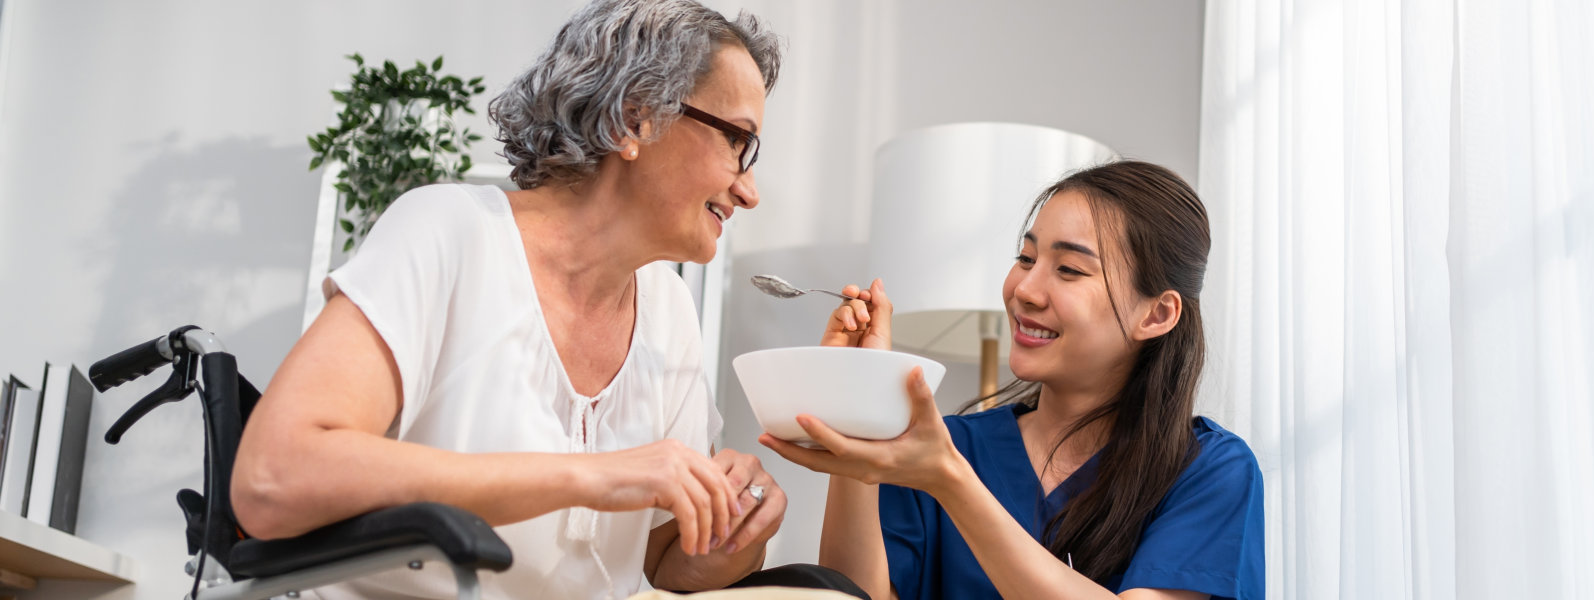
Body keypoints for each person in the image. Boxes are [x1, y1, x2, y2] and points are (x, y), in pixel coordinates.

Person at [231, 1, 862, 597]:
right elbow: (272, 479)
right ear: (634, 118)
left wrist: (732, 528)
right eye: (737, 143)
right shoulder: (450, 233)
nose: (749, 192)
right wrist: (595, 476)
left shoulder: (668, 312)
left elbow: (664, 563)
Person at [763, 161, 1265, 599]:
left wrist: (950, 483)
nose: (1024, 289)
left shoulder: (1210, 471)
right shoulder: (945, 446)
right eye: (1025, 259)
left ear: (1156, 314)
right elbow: (855, 594)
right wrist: (861, 403)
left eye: (1068, 269)